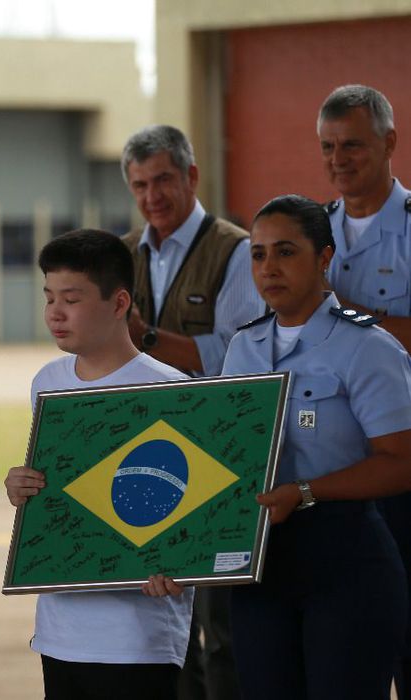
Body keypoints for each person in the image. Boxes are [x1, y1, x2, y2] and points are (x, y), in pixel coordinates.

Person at [222, 194, 411, 699]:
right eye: (258, 255)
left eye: (286, 251)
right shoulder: (243, 347)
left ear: (324, 258)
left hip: (346, 561)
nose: (268, 267)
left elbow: (402, 463)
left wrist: (304, 492)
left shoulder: (367, 347)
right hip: (260, 564)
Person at [4, 229, 193, 700]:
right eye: (49, 297)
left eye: (72, 298)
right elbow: (57, 493)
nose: (54, 312)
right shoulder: (46, 382)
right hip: (61, 631)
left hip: (138, 639)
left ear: (119, 302)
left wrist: (182, 563)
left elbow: (194, 514)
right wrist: (21, 487)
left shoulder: (173, 391)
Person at [120, 124, 263, 699]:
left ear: (192, 177)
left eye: (162, 180)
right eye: (139, 184)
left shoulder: (236, 250)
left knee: (222, 628)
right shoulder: (125, 253)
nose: (152, 196)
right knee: (163, 627)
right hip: (148, 456)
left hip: (221, 458)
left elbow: (238, 352)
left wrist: (145, 337)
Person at [317, 84, 411, 696]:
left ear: (389, 143)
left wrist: (346, 314)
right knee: (344, 652)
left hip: (400, 464)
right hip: (327, 468)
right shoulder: (311, 227)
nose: (338, 159)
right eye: (327, 147)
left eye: (353, 144)